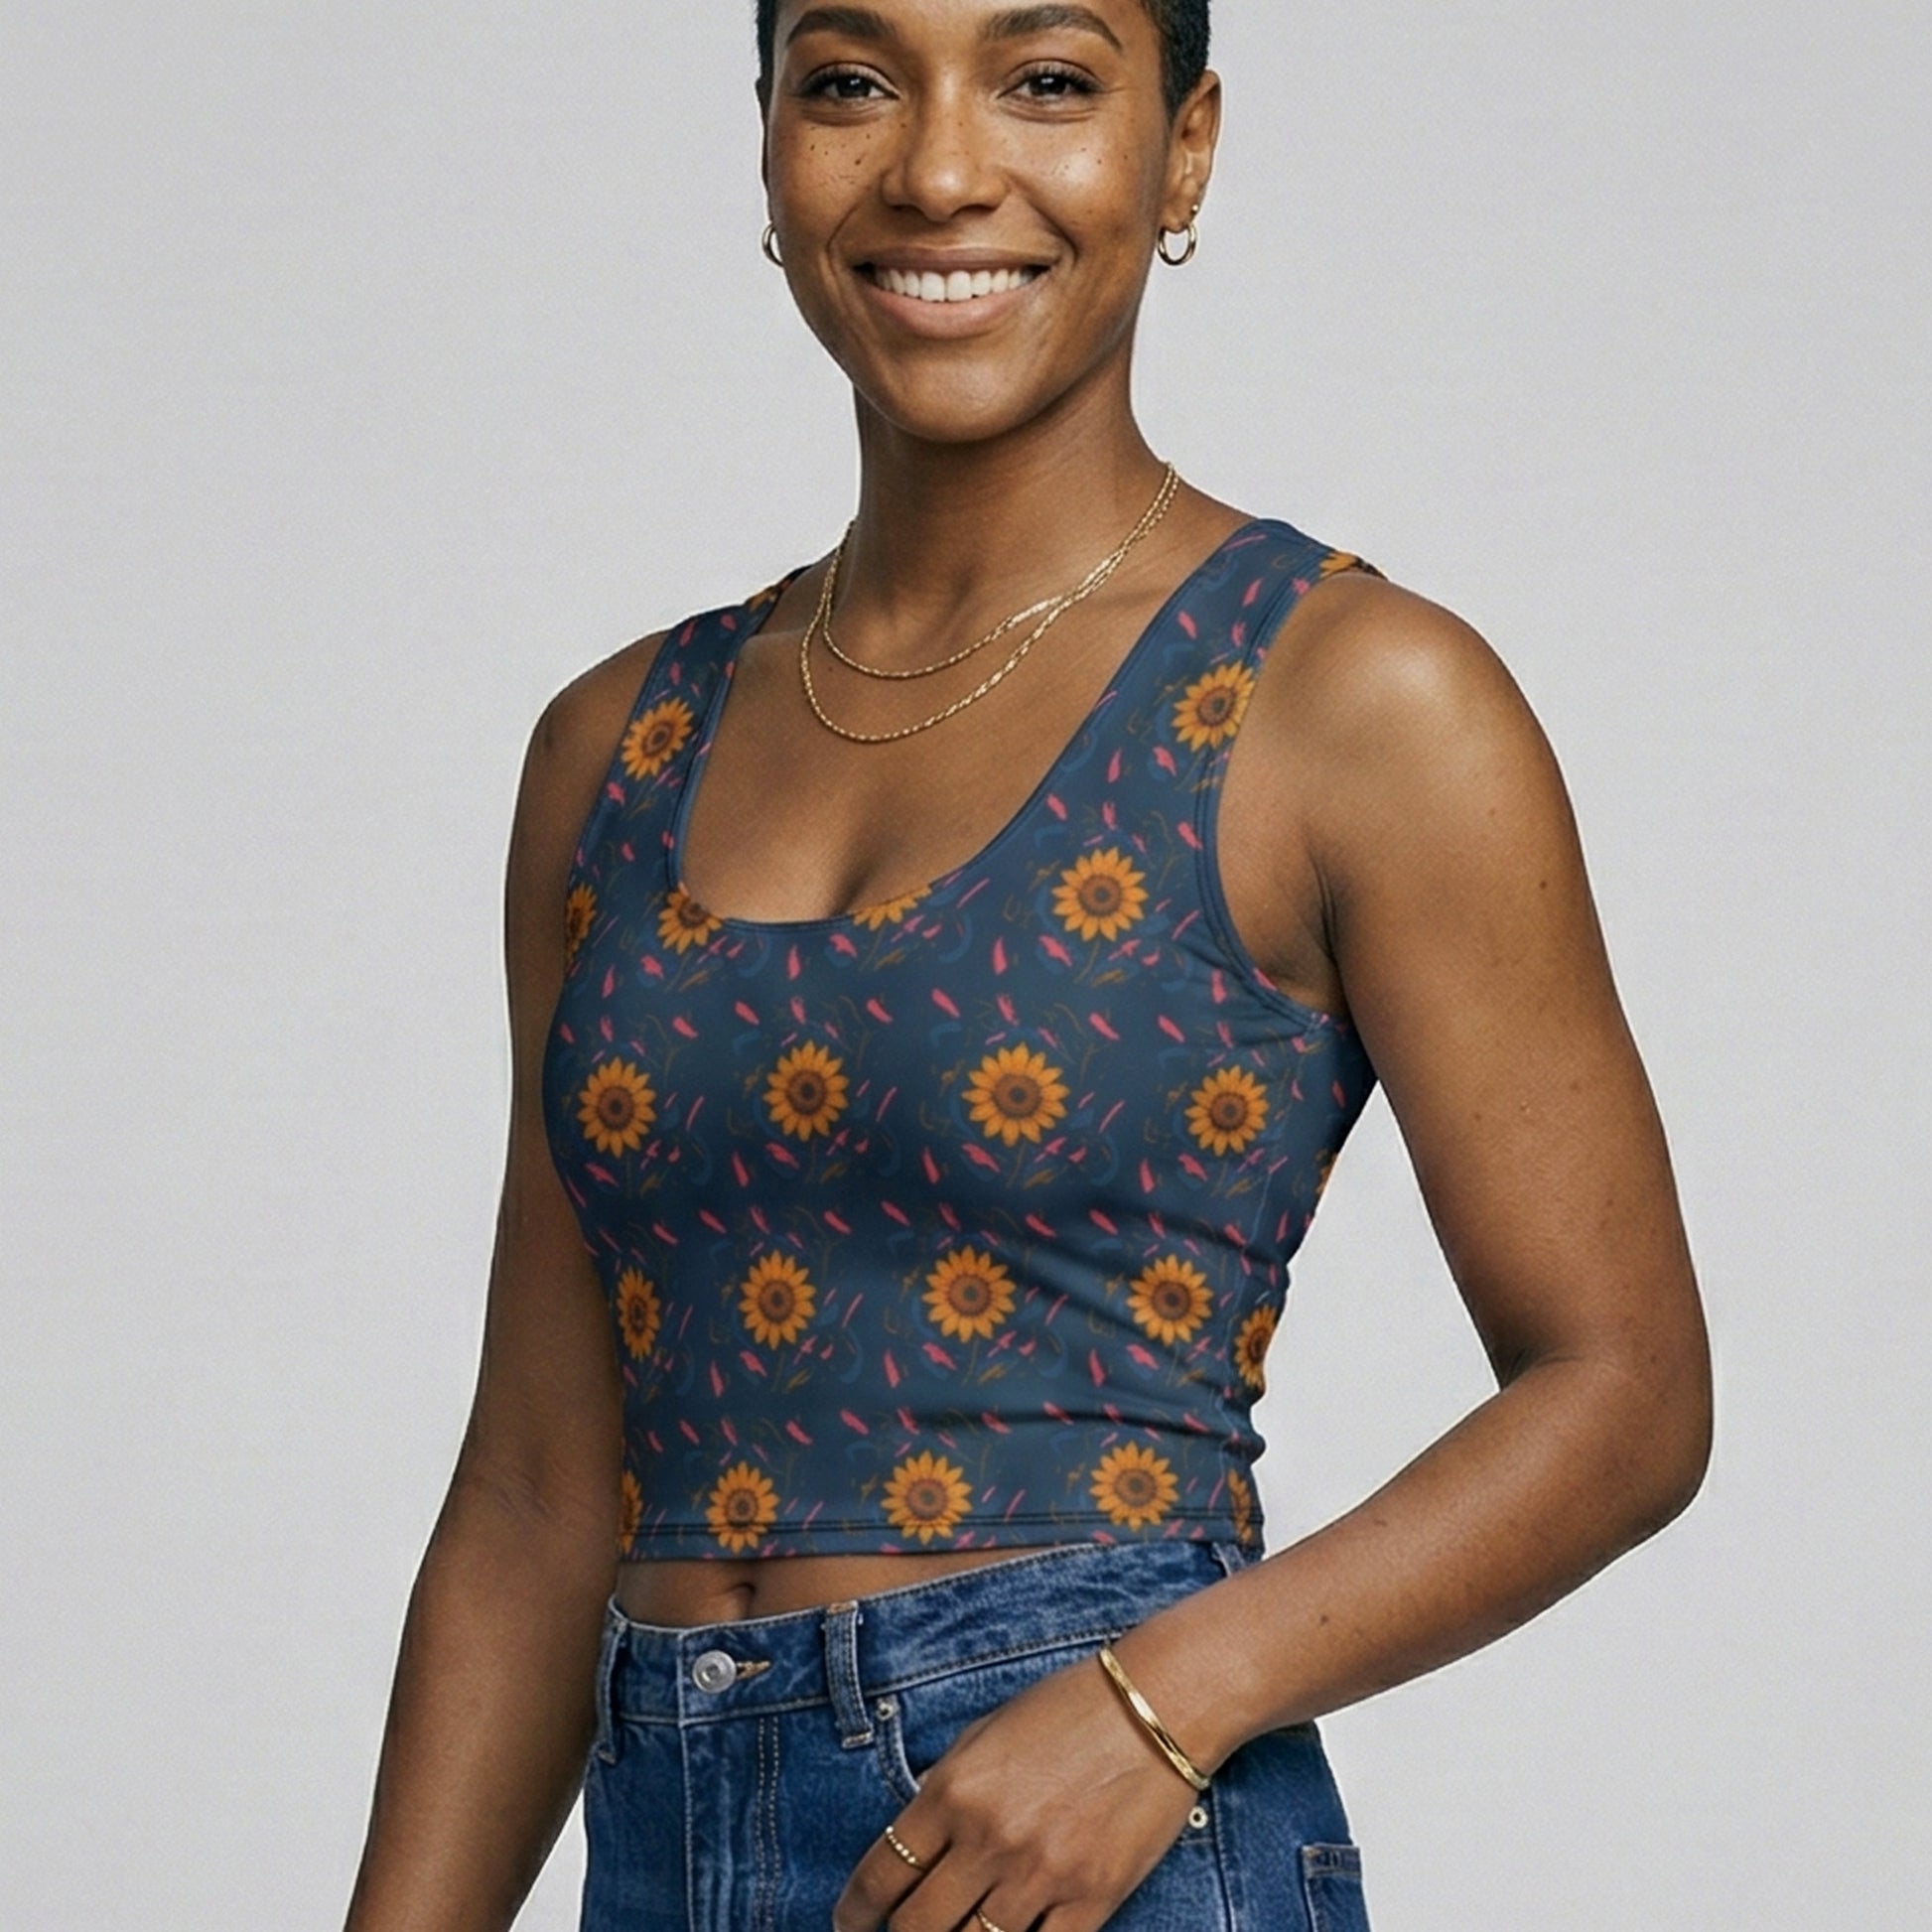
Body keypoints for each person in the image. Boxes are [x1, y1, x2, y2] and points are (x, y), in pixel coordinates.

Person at [345, 3, 1713, 1928]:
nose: (937, 167)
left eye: (1048, 79)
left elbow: (1623, 1389)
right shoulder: (613, 745)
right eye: (848, 80)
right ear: (766, 146)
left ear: (1183, 154)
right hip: (658, 1838)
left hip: (1087, 1843)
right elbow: (539, 1487)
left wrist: (1162, 1704)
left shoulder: (1348, 698)